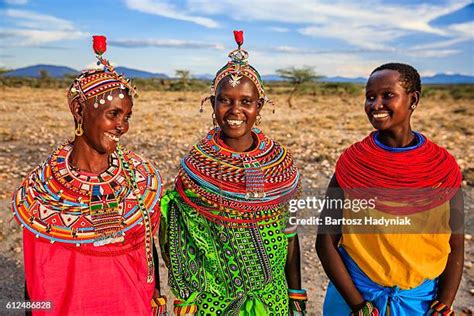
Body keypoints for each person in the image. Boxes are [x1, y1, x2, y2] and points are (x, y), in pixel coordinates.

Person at [11, 36, 166, 315]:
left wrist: (155, 297)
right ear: (79, 110)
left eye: (127, 116)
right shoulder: (41, 193)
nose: (122, 126)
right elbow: (38, 274)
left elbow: (146, 250)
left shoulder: (140, 179)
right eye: (113, 114)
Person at [159, 31, 307, 315]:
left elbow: (290, 236)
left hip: (272, 300)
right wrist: (186, 300)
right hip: (213, 303)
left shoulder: (280, 166)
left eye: (246, 102)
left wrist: (295, 295)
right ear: (212, 105)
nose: (235, 110)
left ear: (259, 107)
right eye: (225, 100)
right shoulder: (196, 168)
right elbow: (181, 240)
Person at [316, 63, 464, 315]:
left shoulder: (441, 168)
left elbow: (456, 243)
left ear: (413, 99)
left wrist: (446, 301)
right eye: (370, 97)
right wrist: (358, 305)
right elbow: (325, 241)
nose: (375, 105)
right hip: (354, 298)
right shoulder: (353, 163)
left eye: (387, 95)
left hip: (420, 304)